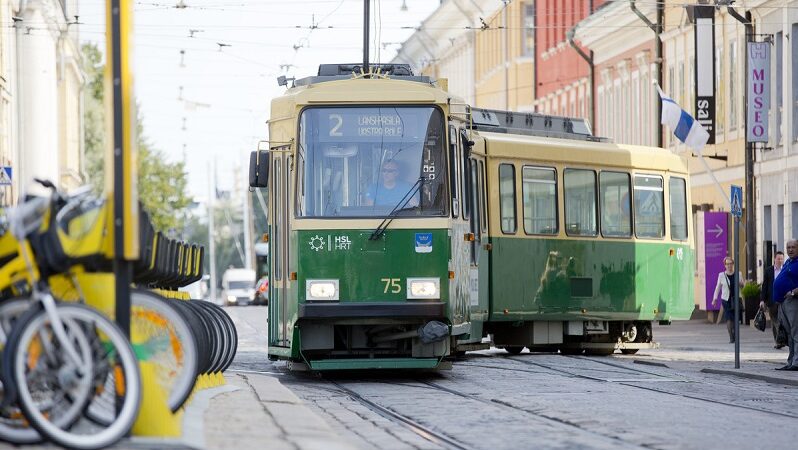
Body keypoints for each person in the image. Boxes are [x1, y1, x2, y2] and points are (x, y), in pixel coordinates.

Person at [772, 239, 798, 371]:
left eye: (793, 247)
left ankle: (796, 362)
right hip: (782, 302)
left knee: (795, 332)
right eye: (788, 247)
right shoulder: (788, 261)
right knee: (788, 333)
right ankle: (791, 361)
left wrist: (793, 292)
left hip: (793, 301)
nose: (790, 249)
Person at [712, 256, 744, 343]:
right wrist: (714, 299)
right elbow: (718, 287)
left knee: (736, 319)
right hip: (726, 300)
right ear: (725, 265)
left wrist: (741, 283)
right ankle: (731, 336)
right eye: (727, 264)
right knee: (729, 319)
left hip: (736, 299)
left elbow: (742, 286)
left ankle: (734, 333)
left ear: (733, 264)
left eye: (731, 264)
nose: (729, 266)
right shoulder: (721, 275)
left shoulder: (738, 274)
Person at [760, 251, 785, 348]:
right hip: (772, 300)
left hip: (783, 299)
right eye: (778, 258)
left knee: (781, 320)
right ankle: (778, 341)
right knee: (775, 320)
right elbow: (764, 286)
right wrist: (762, 300)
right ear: (774, 259)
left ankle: (781, 340)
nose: (780, 260)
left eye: (781, 259)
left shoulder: (785, 270)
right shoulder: (768, 271)